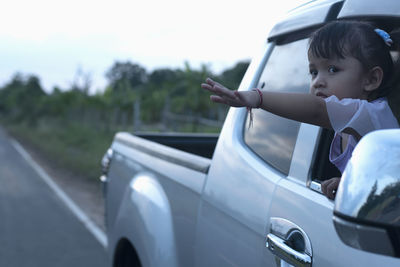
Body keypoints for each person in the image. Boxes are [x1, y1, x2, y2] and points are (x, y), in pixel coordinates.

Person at [201, 20, 400, 200]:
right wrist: (350, 182)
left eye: (333, 70)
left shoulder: (372, 114)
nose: (317, 82)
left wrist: (256, 97)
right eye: (313, 72)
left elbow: (316, 110)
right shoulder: (345, 125)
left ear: (372, 80)